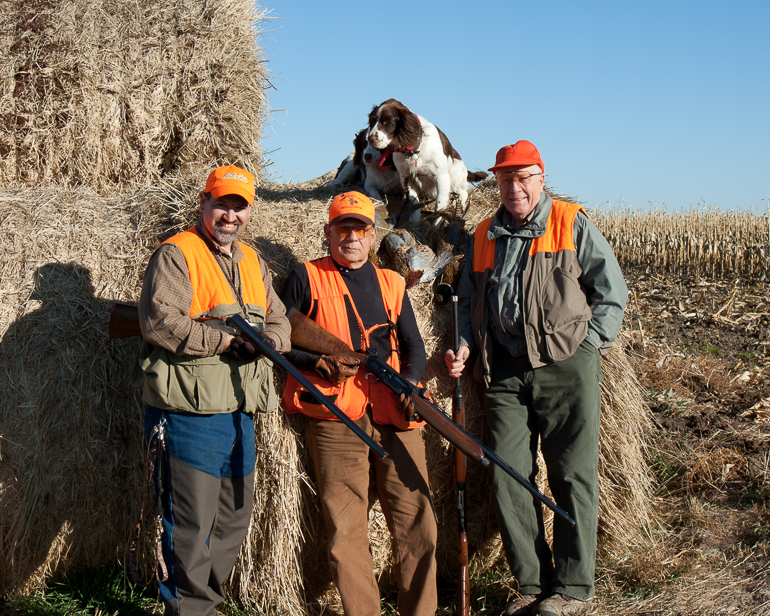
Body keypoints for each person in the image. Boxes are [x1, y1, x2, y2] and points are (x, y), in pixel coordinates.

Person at [445, 142, 627, 616]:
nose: (514, 187)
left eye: (523, 177)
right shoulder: (484, 233)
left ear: (540, 177)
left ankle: (572, 588)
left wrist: (589, 345)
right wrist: (465, 343)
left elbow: (611, 290)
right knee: (508, 475)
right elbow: (465, 301)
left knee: (572, 474)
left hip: (565, 368)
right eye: (505, 179)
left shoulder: (570, 222)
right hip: (503, 371)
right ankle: (530, 583)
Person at [133, 165, 291, 616]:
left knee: (233, 521)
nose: (230, 215)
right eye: (222, 203)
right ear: (204, 203)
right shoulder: (177, 254)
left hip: (240, 411)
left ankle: (205, 602)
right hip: (188, 413)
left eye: (239, 207)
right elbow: (160, 321)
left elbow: (279, 320)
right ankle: (189, 609)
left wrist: (267, 342)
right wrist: (225, 341)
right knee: (190, 524)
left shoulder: (254, 261)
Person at [280, 191, 437, 616]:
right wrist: (317, 361)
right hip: (335, 416)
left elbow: (415, 346)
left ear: (373, 236)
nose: (351, 237)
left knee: (417, 521)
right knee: (346, 530)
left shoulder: (392, 282)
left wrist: (410, 382)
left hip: (395, 412)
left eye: (360, 229)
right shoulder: (304, 277)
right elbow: (276, 342)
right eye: (342, 228)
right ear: (328, 232)